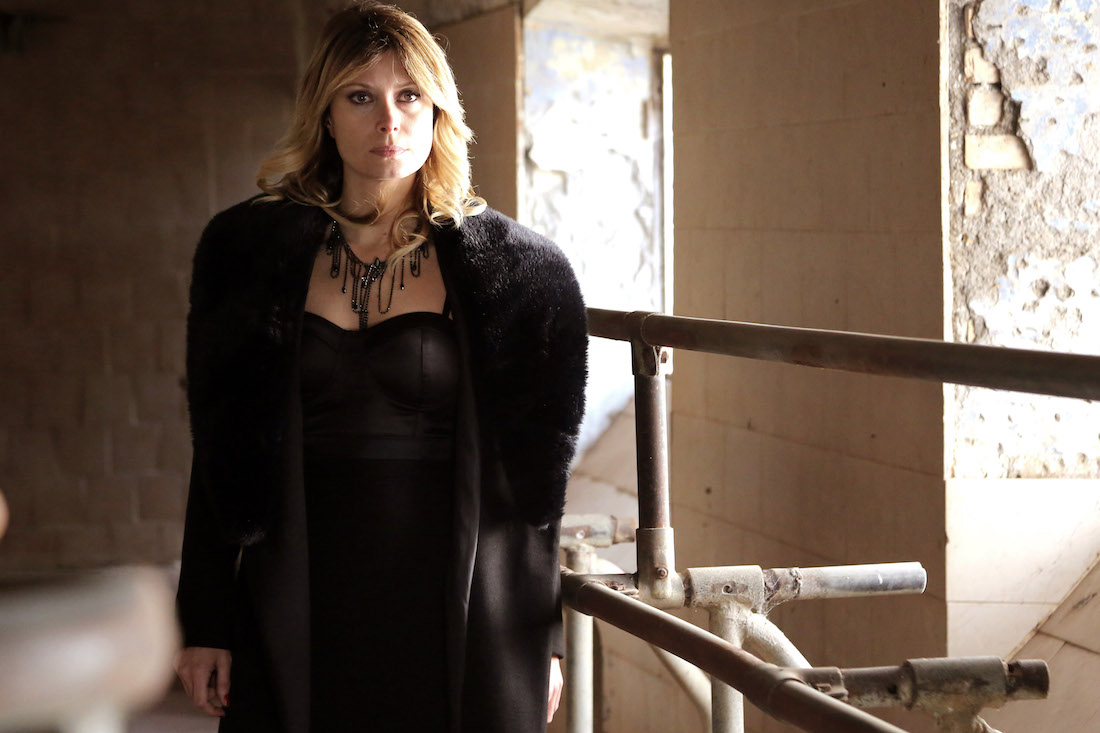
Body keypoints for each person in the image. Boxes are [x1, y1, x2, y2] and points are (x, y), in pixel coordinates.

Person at [173, 3, 587, 732]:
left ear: (438, 111)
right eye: (361, 97)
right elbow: (220, 450)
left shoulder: (520, 270)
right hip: (297, 589)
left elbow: (531, 490)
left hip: (455, 601)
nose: (388, 121)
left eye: (410, 96)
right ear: (326, 114)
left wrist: (540, 639)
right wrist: (205, 618)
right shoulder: (245, 253)